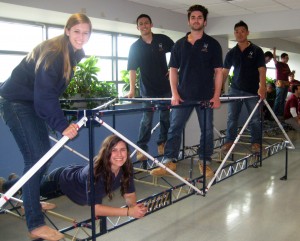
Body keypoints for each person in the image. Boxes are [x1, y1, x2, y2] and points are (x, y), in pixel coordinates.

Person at [0, 13, 92, 241]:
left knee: (44, 156)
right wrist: (61, 124)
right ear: (68, 31)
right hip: (17, 103)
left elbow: (47, 93)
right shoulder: (55, 53)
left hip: (29, 104)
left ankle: (11, 187)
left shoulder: (71, 53)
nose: (82, 37)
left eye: (86, 33)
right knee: (36, 159)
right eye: (77, 31)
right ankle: (35, 224)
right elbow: (44, 95)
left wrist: (57, 120)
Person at [150, 4, 223, 177]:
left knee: (206, 130)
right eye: (193, 17)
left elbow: (218, 71)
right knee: (174, 128)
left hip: (206, 96)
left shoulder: (212, 44)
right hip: (182, 96)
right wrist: (175, 94)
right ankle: (168, 163)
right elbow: (173, 70)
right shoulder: (179, 45)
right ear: (188, 20)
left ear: (204, 22)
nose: (196, 20)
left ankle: (204, 162)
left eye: (199, 18)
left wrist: (216, 96)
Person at [0, 135, 148, 220]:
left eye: (123, 150)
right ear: (106, 153)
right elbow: (95, 209)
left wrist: (133, 206)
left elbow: (129, 194)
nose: (119, 154)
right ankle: (6, 185)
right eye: (114, 150)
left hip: (74, 175)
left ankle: (16, 179)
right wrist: (128, 212)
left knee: (32, 182)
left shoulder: (125, 168)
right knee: (31, 186)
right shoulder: (97, 173)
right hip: (58, 182)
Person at [127, 14, 174, 161]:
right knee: (146, 119)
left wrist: (174, 68)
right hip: (147, 90)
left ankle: (162, 142)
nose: (144, 25)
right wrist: (132, 89)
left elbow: (177, 51)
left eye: (146, 23)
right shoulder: (135, 47)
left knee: (165, 117)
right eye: (141, 24)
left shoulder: (162, 39)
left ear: (151, 24)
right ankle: (141, 147)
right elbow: (132, 69)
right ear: (138, 27)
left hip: (165, 88)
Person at [221, 21, 266, 153]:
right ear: (234, 33)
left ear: (247, 32)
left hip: (252, 90)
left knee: (255, 118)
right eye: (236, 32)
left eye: (242, 31)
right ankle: (229, 141)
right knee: (232, 117)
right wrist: (217, 89)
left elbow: (262, 70)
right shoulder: (232, 52)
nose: (239, 34)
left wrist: (262, 87)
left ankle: (256, 142)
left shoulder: (256, 50)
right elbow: (225, 71)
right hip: (235, 89)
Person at [272, 48, 291, 119]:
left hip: (286, 83)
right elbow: (274, 59)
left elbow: (288, 74)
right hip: (280, 83)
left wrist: (292, 73)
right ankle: (274, 114)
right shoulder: (279, 64)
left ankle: (281, 113)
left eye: (288, 58)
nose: (287, 59)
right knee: (278, 99)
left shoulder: (287, 65)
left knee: (283, 99)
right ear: (282, 58)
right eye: (286, 58)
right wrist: (274, 51)